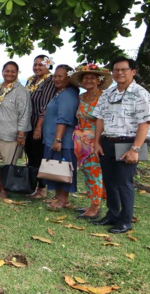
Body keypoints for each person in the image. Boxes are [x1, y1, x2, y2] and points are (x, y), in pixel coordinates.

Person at [92, 57, 150, 234]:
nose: (119, 73)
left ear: (133, 71)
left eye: (124, 69)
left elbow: (145, 123)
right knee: (110, 181)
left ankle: (125, 220)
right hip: (108, 142)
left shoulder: (141, 93)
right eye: (116, 69)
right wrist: (96, 143)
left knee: (124, 182)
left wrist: (135, 149)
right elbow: (99, 118)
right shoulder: (109, 93)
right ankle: (113, 214)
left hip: (129, 143)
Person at [70, 63, 113, 219]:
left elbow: (107, 121)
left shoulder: (104, 97)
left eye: (92, 78)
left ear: (99, 80)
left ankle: (95, 208)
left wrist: (97, 141)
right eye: (85, 78)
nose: (88, 80)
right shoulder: (80, 97)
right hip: (80, 142)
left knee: (95, 173)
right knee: (87, 173)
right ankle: (92, 203)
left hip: (97, 141)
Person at [0, 61, 32, 198]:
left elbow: (25, 113)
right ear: (2, 72)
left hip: (11, 134)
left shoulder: (21, 91)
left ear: (17, 73)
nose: (9, 73)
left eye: (13, 71)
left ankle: (5, 188)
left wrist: (22, 134)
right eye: (7, 70)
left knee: (8, 164)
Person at [42, 65, 79, 210]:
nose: (56, 79)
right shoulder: (60, 93)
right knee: (55, 169)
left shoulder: (68, 95)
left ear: (68, 78)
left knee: (64, 168)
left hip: (63, 141)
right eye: (55, 76)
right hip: (52, 138)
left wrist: (58, 139)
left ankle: (64, 199)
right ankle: (58, 196)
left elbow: (64, 118)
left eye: (60, 76)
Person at [24, 55, 58, 199]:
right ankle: (31, 186)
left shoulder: (50, 81)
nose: (37, 67)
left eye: (41, 65)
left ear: (48, 66)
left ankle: (42, 188)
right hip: (28, 125)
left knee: (39, 157)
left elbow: (46, 107)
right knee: (31, 156)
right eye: (35, 64)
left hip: (41, 126)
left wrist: (38, 127)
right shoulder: (31, 80)